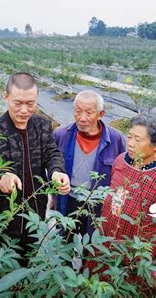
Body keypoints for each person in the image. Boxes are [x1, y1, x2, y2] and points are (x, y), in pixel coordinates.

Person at [0, 72, 70, 263]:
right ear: (6, 98)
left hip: (35, 212)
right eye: (17, 103)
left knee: (30, 258)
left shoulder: (42, 125)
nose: (24, 110)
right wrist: (0, 179)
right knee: (5, 264)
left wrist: (56, 172)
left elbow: (52, 153)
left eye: (30, 104)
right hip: (4, 218)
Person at [99, 114, 156, 282]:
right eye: (129, 136)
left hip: (136, 261)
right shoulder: (120, 161)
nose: (130, 143)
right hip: (106, 247)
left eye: (138, 140)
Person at [54, 90, 125, 237]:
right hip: (67, 201)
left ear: (100, 114)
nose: (82, 118)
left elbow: (123, 174)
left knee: (92, 248)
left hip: (97, 206)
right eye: (78, 111)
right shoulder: (61, 134)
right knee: (63, 244)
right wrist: (52, 196)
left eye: (89, 113)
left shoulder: (115, 139)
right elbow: (51, 164)